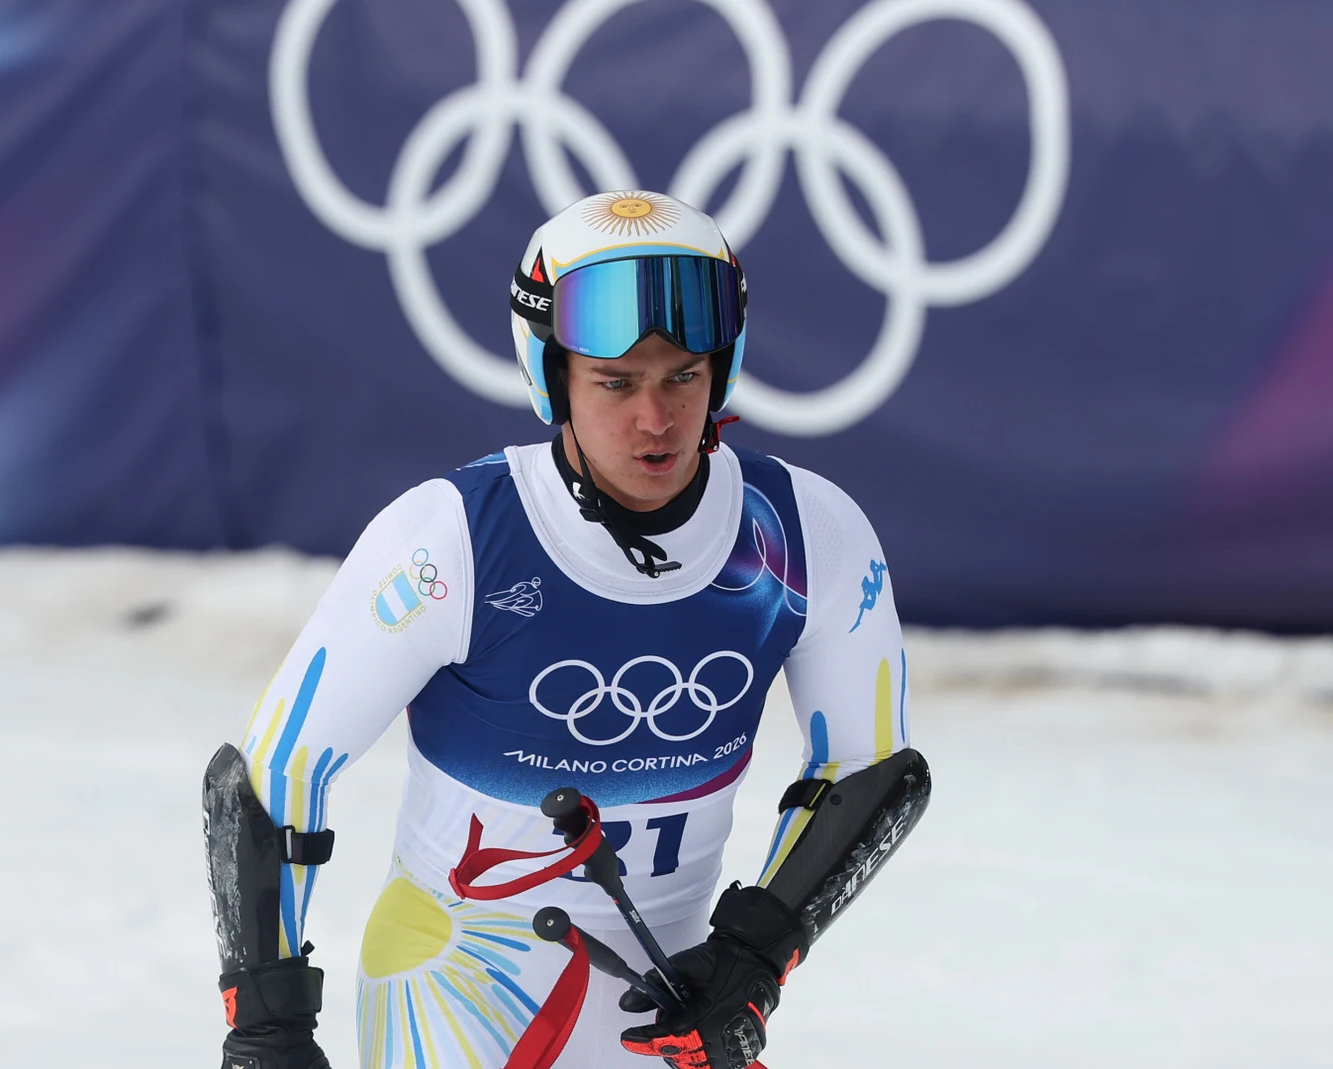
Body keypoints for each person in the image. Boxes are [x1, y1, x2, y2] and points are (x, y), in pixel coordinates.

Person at [202, 190, 930, 1069]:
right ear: (553, 378)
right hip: (455, 993)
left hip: (672, 1003)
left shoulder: (806, 535)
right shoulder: (451, 539)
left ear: (723, 370)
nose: (656, 419)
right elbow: (273, 771)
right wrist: (267, 1024)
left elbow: (870, 769)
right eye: (615, 382)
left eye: (683, 377)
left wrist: (753, 956)